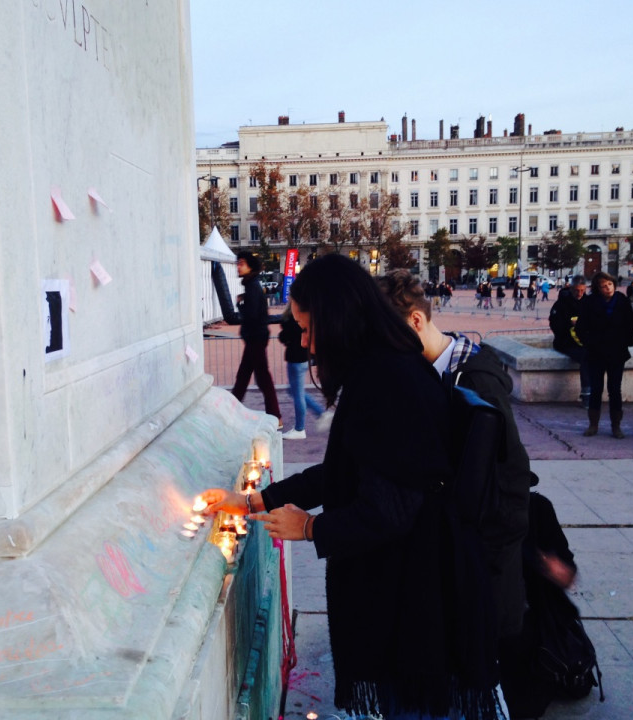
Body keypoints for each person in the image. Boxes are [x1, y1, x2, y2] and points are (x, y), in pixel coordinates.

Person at [201, 254, 501, 719]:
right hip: (411, 582)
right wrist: (258, 499)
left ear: (336, 318)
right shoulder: (383, 367)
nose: (303, 341)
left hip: (416, 595)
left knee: (414, 707)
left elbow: (391, 508)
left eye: (305, 326)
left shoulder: (387, 379)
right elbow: (346, 469)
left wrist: (310, 529)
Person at [377, 269, 538, 646]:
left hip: (481, 555)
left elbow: (508, 476)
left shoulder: (473, 383)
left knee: (481, 668)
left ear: (416, 321)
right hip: (454, 551)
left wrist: (482, 553)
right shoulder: (430, 375)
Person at [498, 493, 579, 719]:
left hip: (528, 624)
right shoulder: (465, 505)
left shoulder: (536, 508)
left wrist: (544, 563)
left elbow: (566, 572)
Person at [575, 273, 633, 438]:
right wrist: (589, 343)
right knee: (596, 389)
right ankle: (593, 425)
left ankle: (616, 426)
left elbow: (630, 324)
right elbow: (580, 327)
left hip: (617, 352)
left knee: (615, 389)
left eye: (610, 284)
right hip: (596, 352)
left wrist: (624, 342)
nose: (607, 288)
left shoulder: (622, 301)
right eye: (603, 285)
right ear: (598, 288)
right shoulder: (590, 302)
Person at [229, 251, 282, 426]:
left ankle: (275, 416)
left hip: (255, 338)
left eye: (241, 263)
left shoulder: (252, 286)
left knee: (261, 378)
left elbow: (251, 316)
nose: (238, 266)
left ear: (250, 266)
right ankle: (231, 411)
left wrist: (240, 304)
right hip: (255, 337)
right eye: (238, 263)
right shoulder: (252, 285)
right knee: (244, 377)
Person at [277, 306, 331, 439]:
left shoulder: (295, 316)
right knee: (294, 391)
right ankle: (321, 414)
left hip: (296, 357)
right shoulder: (308, 314)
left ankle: (300, 428)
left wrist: (283, 335)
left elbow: (286, 336)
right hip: (303, 357)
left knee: (297, 394)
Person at [549, 276, 591, 406]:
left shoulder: (589, 302)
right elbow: (554, 324)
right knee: (586, 357)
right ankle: (587, 394)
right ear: (571, 288)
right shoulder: (561, 303)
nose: (579, 294)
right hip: (566, 342)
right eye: (577, 290)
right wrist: (569, 323)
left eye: (582, 291)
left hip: (585, 341)